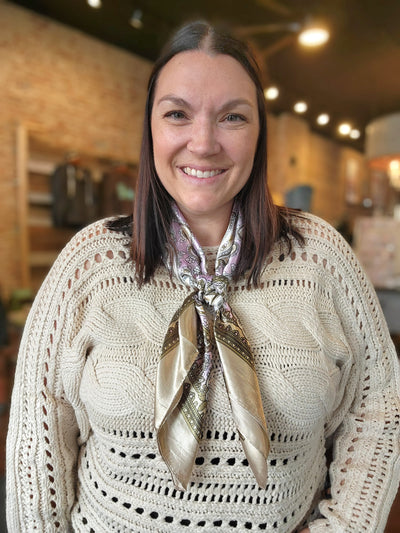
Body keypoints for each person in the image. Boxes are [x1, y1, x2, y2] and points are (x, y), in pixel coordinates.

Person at [6, 20, 400, 533]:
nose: (204, 142)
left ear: (260, 132)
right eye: (177, 114)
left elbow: (379, 405)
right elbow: (36, 448)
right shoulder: (90, 265)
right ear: (151, 128)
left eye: (232, 117)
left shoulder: (320, 259)